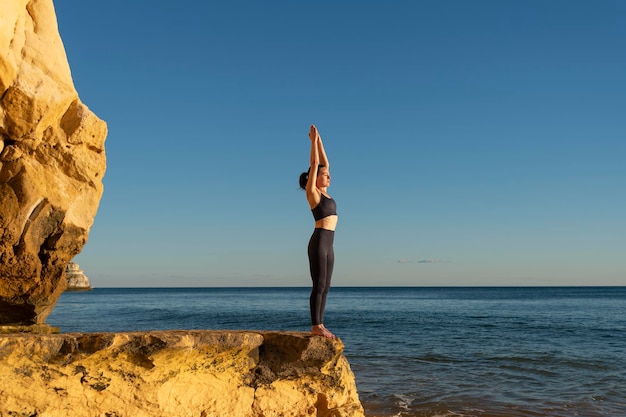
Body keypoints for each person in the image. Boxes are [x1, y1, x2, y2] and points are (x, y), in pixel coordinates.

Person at [299, 124, 338, 339]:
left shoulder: (327, 193)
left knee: (326, 286)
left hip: (329, 243)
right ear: (315, 179)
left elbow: (325, 162)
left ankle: (321, 324)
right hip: (319, 241)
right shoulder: (313, 193)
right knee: (318, 284)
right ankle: (316, 326)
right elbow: (315, 163)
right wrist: (312, 143)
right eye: (324, 175)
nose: (329, 176)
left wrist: (320, 139)